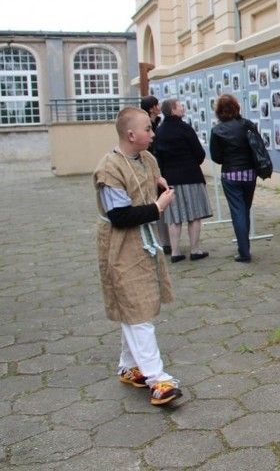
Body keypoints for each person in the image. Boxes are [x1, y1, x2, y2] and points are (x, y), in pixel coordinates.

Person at [93, 106, 183, 406]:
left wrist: (157, 183)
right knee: (137, 310)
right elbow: (119, 215)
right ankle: (158, 379)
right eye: (148, 128)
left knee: (136, 304)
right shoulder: (109, 169)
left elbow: (151, 174)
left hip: (142, 242)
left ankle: (129, 366)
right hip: (122, 244)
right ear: (131, 135)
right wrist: (158, 207)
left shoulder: (147, 157)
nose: (153, 133)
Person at [153, 98, 212, 263]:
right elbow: (199, 153)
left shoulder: (160, 131)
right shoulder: (186, 129)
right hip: (191, 176)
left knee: (174, 217)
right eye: (179, 105)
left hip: (170, 179)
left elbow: (158, 157)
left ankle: (175, 252)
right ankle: (194, 250)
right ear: (173, 110)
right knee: (194, 216)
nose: (182, 107)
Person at [209, 94, 258, 263]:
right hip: (249, 173)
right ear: (237, 107)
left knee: (237, 211)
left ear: (219, 111)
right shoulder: (247, 125)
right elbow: (257, 147)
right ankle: (245, 247)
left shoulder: (216, 130)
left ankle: (244, 252)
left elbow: (216, 157)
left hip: (230, 173)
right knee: (245, 209)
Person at [140, 95, 171, 255]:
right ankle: (160, 240)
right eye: (157, 104)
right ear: (152, 107)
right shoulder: (146, 124)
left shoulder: (159, 122)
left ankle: (165, 240)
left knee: (162, 204)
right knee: (154, 204)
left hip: (161, 168)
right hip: (150, 170)